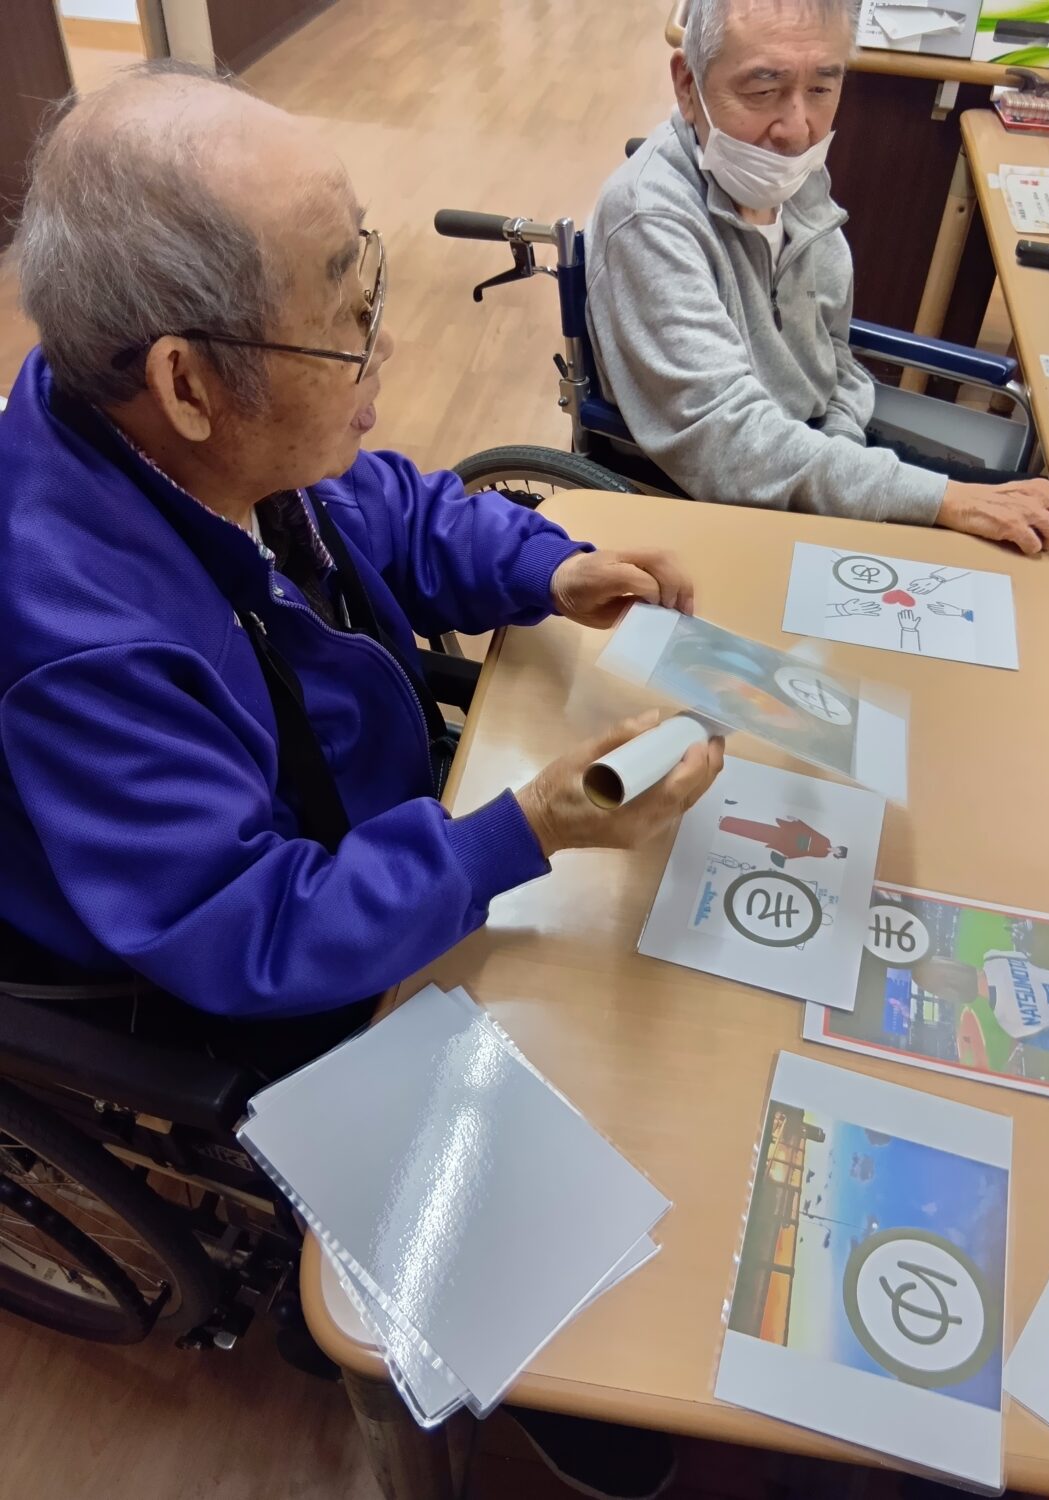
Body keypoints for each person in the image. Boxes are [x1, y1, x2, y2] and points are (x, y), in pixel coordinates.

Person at [1, 62, 719, 1499]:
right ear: (187, 383)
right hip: (223, 962)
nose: (379, 347)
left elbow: (378, 504)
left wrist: (547, 565)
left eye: (365, 279)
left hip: (351, 819)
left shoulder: (163, 425)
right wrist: (524, 828)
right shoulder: (79, 640)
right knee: (609, 1328)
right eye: (345, 314)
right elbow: (249, 933)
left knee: (666, 1019)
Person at [585, 0, 1049, 556]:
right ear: (687, 85)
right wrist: (937, 500)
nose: (797, 130)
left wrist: (845, 455)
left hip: (820, 455)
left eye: (821, 88)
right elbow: (727, 445)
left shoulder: (791, 177)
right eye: (763, 89)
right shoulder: (649, 219)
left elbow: (832, 353)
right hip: (724, 493)